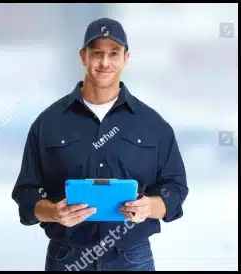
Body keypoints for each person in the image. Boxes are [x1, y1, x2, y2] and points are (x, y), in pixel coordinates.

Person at [11, 17, 189, 271]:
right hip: (66, 257)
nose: (105, 63)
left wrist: (149, 206)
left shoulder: (153, 125)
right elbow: (26, 192)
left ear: (126, 58)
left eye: (114, 53)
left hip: (132, 258)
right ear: (83, 57)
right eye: (97, 53)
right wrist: (53, 212)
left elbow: (176, 188)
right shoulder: (48, 123)